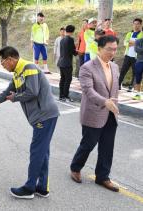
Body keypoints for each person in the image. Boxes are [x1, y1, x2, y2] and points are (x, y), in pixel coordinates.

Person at [0, 46, 59, 199]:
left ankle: (29, 188)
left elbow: (32, 92)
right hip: (41, 117)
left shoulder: (29, 68)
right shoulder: (17, 74)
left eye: (3, 63)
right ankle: (42, 188)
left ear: (10, 59)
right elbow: (5, 95)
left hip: (45, 116)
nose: (3, 65)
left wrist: (15, 97)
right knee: (43, 152)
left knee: (37, 152)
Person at [70, 36, 120, 192]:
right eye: (109, 49)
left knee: (107, 147)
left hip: (111, 114)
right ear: (99, 49)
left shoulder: (115, 67)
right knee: (88, 144)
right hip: (93, 113)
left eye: (115, 49)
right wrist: (105, 102)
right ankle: (75, 168)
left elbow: (114, 89)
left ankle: (103, 177)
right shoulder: (87, 67)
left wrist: (113, 104)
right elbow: (88, 91)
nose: (113, 52)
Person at [119, 18, 143, 92]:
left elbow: (139, 44)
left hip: (136, 57)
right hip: (128, 55)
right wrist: (132, 42)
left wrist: (132, 42)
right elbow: (125, 43)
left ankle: (131, 86)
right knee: (123, 70)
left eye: (138, 24)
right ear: (133, 25)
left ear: (141, 25)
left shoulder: (142, 34)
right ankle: (118, 84)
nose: (136, 25)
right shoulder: (129, 33)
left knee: (135, 72)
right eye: (135, 24)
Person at [57, 25, 78, 102]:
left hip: (61, 62)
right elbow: (73, 51)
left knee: (62, 79)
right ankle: (66, 96)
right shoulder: (70, 39)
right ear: (72, 31)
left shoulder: (62, 39)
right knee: (68, 79)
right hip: (67, 63)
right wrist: (77, 51)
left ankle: (61, 95)